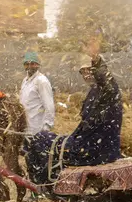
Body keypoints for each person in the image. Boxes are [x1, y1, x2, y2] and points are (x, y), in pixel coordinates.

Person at [25, 53, 122, 186]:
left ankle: (46, 184)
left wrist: (98, 62)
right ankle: (42, 183)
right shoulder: (94, 92)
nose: (86, 75)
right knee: (40, 139)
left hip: (96, 150)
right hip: (87, 143)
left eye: (89, 70)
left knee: (40, 141)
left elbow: (107, 82)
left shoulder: (109, 91)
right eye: (83, 72)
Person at [19, 51, 55, 201]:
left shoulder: (42, 81)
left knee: (40, 161)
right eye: (27, 64)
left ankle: (41, 191)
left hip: (38, 128)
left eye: (32, 63)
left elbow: (49, 105)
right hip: (27, 128)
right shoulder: (25, 81)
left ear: (38, 65)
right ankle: (34, 191)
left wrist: (47, 126)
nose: (30, 66)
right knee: (30, 160)